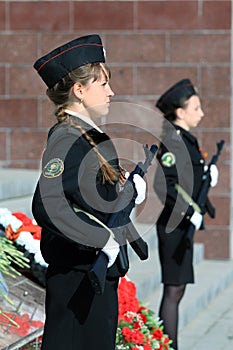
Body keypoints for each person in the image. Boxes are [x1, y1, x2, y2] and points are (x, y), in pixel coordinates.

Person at [32, 34, 146, 350]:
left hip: (93, 278)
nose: (111, 92)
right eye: (103, 84)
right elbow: (47, 205)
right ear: (80, 91)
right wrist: (97, 238)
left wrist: (128, 194)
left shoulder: (89, 138)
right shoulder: (67, 139)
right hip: (76, 279)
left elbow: (90, 201)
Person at [153, 79, 219, 350]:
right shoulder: (173, 141)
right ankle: (167, 345)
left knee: (177, 289)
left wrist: (207, 178)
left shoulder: (185, 140)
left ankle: (166, 343)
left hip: (182, 225)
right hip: (174, 225)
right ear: (180, 112)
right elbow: (163, 185)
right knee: (173, 289)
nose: (201, 113)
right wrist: (187, 211)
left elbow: (186, 181)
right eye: (196, 107)